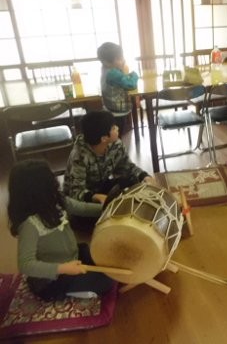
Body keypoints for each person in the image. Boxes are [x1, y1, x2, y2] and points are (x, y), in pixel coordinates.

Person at [8, 159, 114, 301]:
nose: (55, 184)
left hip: (72, 257)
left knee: (97, 257)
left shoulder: (56, 200)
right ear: (36, 191)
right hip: (52, 279)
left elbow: (81, 208)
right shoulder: (29, 224)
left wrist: (109, 207)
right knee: (106, 281)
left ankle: (80, 279)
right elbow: (25, 265)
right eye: (50, 182)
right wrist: (63, 268)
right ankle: (65, 293)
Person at [64, 111, 155, 209]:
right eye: (113, 128)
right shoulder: (79, 156)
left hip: (101, 185)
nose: (117, 128)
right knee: (98, 215)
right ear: (104, 138)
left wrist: (144, 176)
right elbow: (75, 192)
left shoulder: (116, 144)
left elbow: (126, 167)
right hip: (83, 197)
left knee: (132, 181)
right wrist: (96, 197)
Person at [97, 42, 139, 131]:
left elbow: (121, 78)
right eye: (119, 58)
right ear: (107, 62)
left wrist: (121, 67)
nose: (123, 60)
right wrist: (135, 75)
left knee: (115, 133)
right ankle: (116, 144)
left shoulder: (105, 69)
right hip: (117, 111)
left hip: (110, 108)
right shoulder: (113, 73)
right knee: (116, 134)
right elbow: (131, 85)